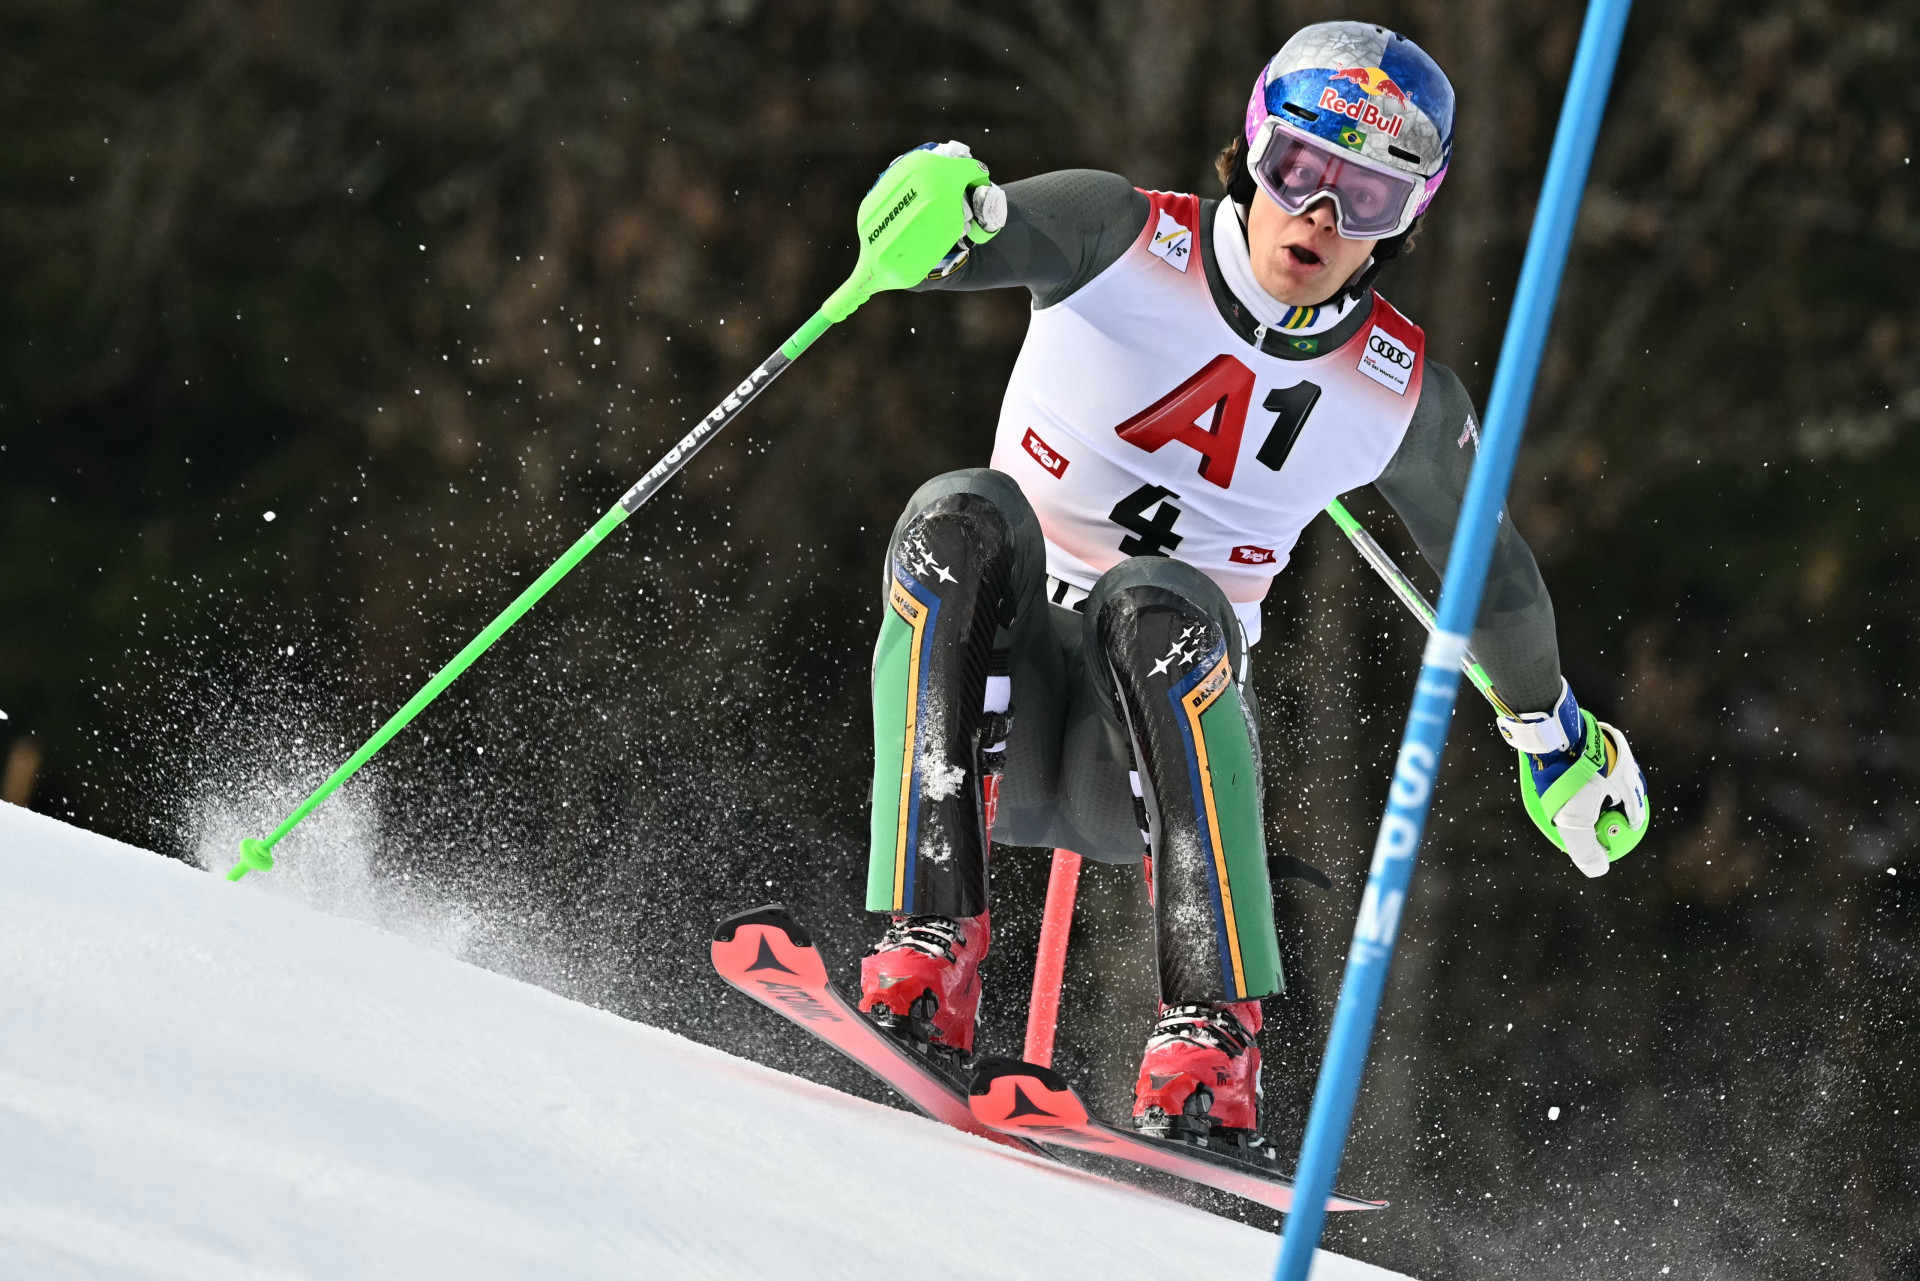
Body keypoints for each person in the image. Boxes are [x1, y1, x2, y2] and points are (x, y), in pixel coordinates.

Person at [854, 20, 1649, 1155]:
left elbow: (1496, 573)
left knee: (1159, 601)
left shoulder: (1400, 392)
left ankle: (1210, 1040)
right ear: (1252, 152)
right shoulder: (1116, 233)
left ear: (1408, 217)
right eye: (1303, 170)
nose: (1320, 218)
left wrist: (1551, 728)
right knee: (961, 515)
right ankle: (929, 942)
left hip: (1139, 766)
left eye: (1366, 198)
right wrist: (927, 205)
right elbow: (959, 240)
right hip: (989, 714)